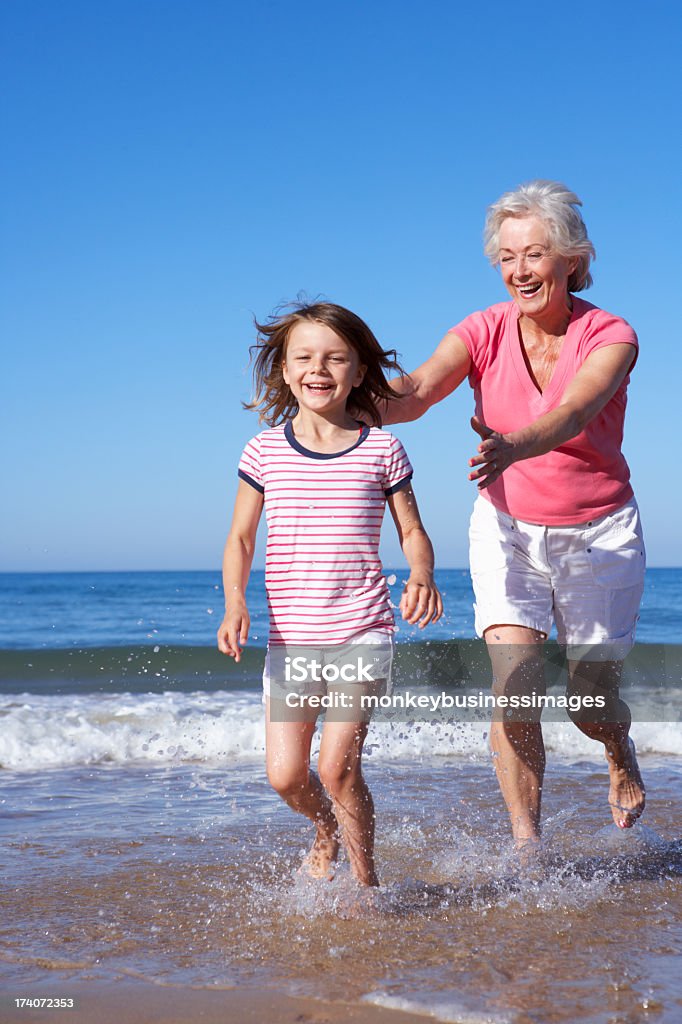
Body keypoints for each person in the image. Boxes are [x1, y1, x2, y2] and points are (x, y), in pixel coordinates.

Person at [383, 180, 646, 848]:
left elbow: (576, 412)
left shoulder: (611, 335)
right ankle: (528, 846)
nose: (519, 270)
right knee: (515, 686)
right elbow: (413, 391)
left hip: (600, 532)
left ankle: (617, 750)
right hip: (507, 529)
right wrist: (341, 396)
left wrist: (513, 445)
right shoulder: (481, 330)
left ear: (569, 258)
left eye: (534, 254)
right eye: (507, 256)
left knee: (590, 703)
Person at [217, 302, 442, 886]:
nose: (319, 369)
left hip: (362, 631)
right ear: (285, 371)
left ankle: (366, 889)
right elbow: (240, 538)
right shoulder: (263, 451)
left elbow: (412, 530)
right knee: (288, 777)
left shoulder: (381, 450)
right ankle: (326, 830)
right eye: (305, 357)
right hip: (292, 641)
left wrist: (421, 574)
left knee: (338, 770)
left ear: (360, 371)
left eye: (335, 358)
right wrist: (235, 602)